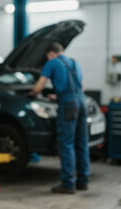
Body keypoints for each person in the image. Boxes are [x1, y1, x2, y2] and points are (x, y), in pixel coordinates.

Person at [29, 42, 89, 194]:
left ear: (50, 53)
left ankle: (68, 184)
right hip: (82, 101)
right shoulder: (75, 63)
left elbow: (39, 87)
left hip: (69, 105)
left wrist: (32, 94)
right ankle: (83, 181)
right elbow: (81, 86)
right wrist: (61, 94)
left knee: (67, 143)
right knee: (81, 142)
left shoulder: (51, 63)